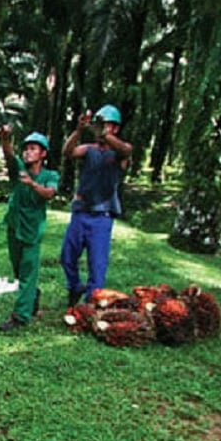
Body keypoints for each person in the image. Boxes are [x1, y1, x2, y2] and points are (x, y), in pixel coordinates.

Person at [60, 104, 134, 306]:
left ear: (115, 128)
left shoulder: (119, 152)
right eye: (99, 124)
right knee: (67, 256)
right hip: (80, 212)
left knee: (97, 265)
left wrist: (106, 136)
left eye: (107, 125)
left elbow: (126, 150)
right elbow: (68, 152)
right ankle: (74, 286)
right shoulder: (89, 149)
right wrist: (78, 130)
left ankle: (91, 304)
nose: (102, 129)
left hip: (102, 217)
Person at [0, 125, 59, 332]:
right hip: (14, 224)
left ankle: (21, 316)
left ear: (43, 154)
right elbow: (9, 155)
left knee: (28, 269)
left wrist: (32, 184)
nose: (28, 151)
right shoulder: (19, 168)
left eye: (33, 148)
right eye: (26, 148)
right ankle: (32, 293)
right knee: (18, 268)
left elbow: (49, 193)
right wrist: (5, 139)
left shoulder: (50, 175)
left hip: (33, 228)